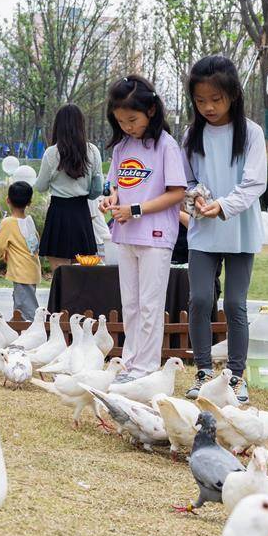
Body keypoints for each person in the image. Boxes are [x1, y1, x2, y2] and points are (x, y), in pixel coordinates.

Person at [181, 55, 267, 402]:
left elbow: (254, 183)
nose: (208, 107)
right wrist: (198, 197)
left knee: (234, 304)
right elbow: (188, 180)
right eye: (200, 100)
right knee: (200, 299)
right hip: (204, 229)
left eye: (216, 99)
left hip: (240, 229)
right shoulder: (192, 134)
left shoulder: (251, 133)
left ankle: (235, 376)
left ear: (233, 95)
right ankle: (203, 371)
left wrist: (224, 206)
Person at [100, 76, 187, 382]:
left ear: (151, 110)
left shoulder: (166, 146)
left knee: (150, 305)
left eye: (132, 120)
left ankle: (146, 368)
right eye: (121, 121)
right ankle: (129, 363)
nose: (127, 127)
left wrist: (135, 209)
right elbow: (114, 185)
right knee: (131, 305)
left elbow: (177, 193)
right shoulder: (122, 147)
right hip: (125, 235)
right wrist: (111, 199)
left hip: (155, 237)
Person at [35, 103, 103, 267]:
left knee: (59, 273)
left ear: (58, 126)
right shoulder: (93, 151)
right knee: (82, 273)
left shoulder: (52, 153)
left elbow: (41, 186)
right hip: (81, 214)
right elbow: (97, 190)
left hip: (58, 214)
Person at [0, 181, 42, 320]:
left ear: (8, 200)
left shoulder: (8, 222)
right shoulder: (29, 221)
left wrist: (1, 255)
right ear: (29, 202)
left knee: (26, 306)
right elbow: (35, 244)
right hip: (32, 268)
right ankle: (17, 324)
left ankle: (33, 326)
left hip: (20, 271)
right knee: (22, 301)